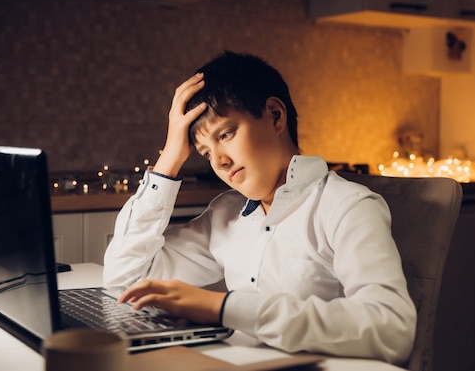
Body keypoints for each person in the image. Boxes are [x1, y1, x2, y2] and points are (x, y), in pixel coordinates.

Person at [103, 51, 417, 363]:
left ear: (275, 116)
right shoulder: (225, 214)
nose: (220, 162)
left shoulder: (346, 208)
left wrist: (223, 308)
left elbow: (393, 330)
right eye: (205, 153)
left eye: (225, 134)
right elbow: (124, 278)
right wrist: (169, 158)